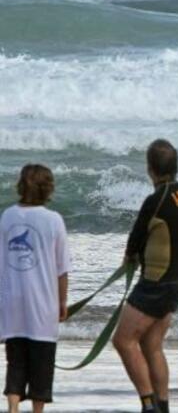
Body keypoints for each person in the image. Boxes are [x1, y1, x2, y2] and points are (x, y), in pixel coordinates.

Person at [112, 139, 178, 413]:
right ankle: (163, 406)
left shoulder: (155, 200)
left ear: (150, 169)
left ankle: (148, 404)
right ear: (175, 167)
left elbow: (135, 240)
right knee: (151, 344)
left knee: (123, 341)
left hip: (157, 283)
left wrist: (130, 257)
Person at [0, 164, 71, 413]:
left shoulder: (7, 216)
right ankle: (37, 411)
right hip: (43, 303)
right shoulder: (53, 220)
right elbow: (62, 269)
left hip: (12, 303)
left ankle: (12, 408)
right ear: (48, 189)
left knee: (16, 360)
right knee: (42, 362)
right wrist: (62, 303)